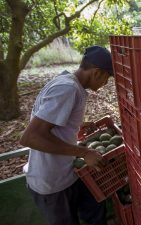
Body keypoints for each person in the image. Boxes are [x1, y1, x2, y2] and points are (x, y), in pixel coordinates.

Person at [20, 45, 114, 225]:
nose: (105, 84)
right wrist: (84, 152)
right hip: (52, 184)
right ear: (97, 73)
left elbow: (51, 122)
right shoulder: (67, 88)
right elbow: (30, 137)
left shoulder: (68, 81)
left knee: (95, 207)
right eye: (107, 78)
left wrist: (74, 125)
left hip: (68, 173)